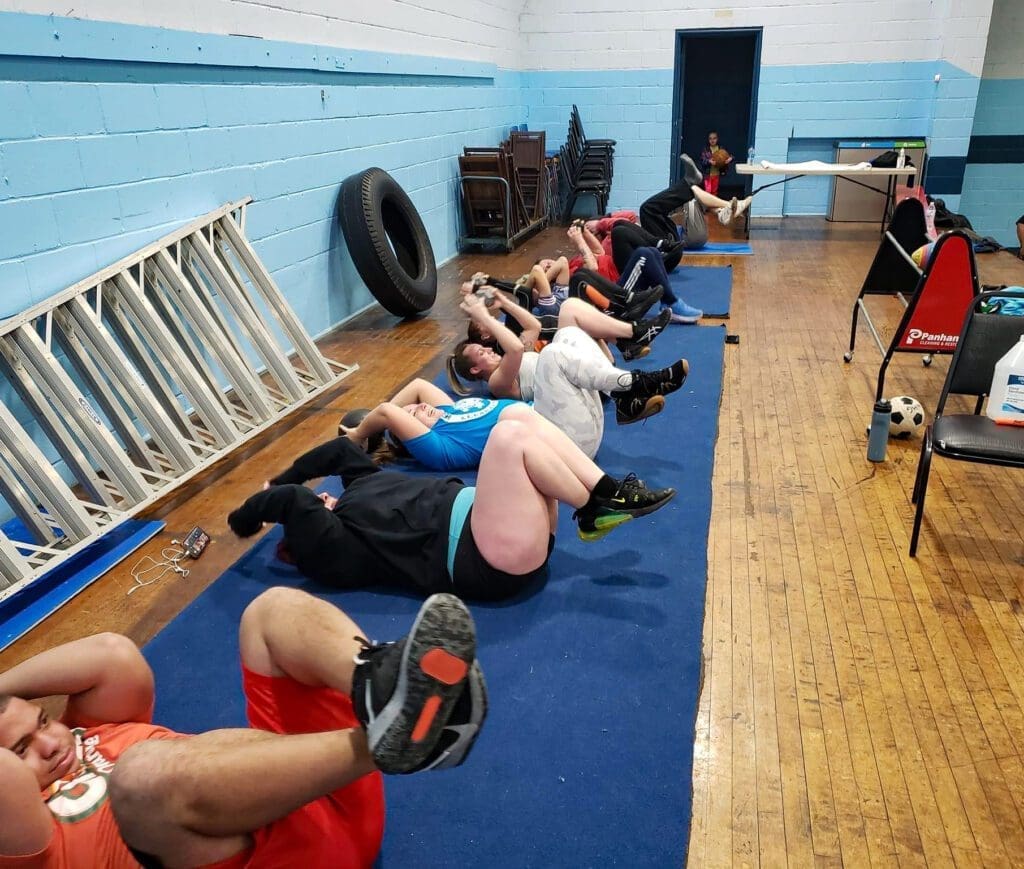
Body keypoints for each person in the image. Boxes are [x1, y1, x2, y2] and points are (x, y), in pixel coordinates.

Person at [0, 589, 486, 868]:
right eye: (21, 749)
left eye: (43, 720)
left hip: (324, 799)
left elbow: (112, 655)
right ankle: (398, 740)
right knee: (139, 776)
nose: (49, 742)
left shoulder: (90, 730)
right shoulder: (29, 835)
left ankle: (383, 700)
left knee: (268, 612)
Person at [227, 410, 677, 600]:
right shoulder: (337, 547)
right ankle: (592, 509)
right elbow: (292, 501)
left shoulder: (360, 486)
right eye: (318, 502)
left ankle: (604, 492)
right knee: (506, 437)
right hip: (486, 560)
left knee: (518, 418)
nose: (322, 494)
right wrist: (248, 515)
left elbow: (336, 455)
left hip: (506, 526)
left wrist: (288, 474)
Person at [448, 294, 687, 455]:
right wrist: (484, 318)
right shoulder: (497, 383)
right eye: (481, 351)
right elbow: (516, 348)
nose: (488, 349)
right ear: (475, 370)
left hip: (588, 389)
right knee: (552, 352)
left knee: (569, 308)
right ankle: (628, 386)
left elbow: (533, 327)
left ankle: (630, 339)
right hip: (573, 432)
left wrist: (502, 302)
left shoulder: (516, 362)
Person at [339, 377, 527, 471]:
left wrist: (375, 427)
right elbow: (387, 411)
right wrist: (358, 434)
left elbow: (418, 385)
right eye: (412, 414)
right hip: (547, 427)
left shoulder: (447, 411)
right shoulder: (444, 447)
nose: (421, 405)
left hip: (540, 406)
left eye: (415, 406)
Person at [567, 223, 703, 324]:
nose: (546, 263)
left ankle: (668, 301)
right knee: (643, 255)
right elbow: (592, 270)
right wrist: (579, 241)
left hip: (624, 276)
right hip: (617, 297)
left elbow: (600, 252)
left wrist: (584, 231)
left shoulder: (573, 260)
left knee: (651, 252)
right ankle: (671, 302)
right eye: (545, 266)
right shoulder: (570, 272)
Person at [640, 153, 753, 241]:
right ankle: (726, 207)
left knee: (695, 192)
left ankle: (722, 211)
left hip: (689, 234)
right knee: (692, 191)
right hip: (687, 237)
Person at [699, 131, 732, 197]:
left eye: (714, 138)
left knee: (714, 191)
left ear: (717, 139)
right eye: (710, 138)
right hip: (708, 174)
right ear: (708, 140)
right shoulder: (706, 149)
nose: (712, 140)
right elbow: (702, 160)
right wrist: (709, 161)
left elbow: (730, 156)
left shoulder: (720, 148)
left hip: (716, 174)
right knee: (708, 191)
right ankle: (707, 205)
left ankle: (713, 206)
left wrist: (730, 159)